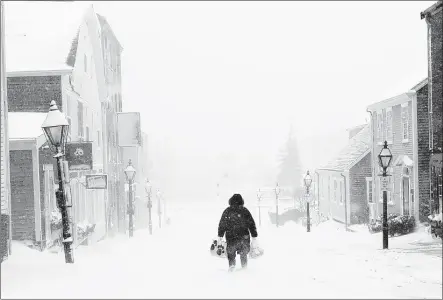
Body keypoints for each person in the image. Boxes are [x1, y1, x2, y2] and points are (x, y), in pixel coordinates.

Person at [217, 193, 258, 271]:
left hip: (231, 237)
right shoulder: (245, 211)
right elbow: (251, 223)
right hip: (244, 238)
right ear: (241, 201)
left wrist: (220, 235)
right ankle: (244, 269)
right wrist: (254, 235)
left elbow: (222, 224)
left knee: (231, 255)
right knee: (243, 255)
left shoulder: (227, 211)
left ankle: (232, 268)